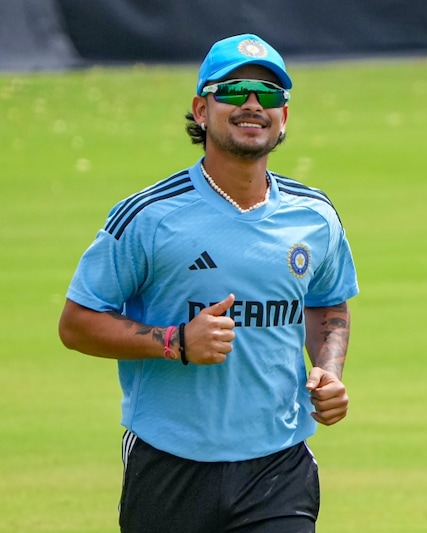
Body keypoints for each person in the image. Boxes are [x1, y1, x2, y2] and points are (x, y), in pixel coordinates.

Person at [58, 33, 358, 532]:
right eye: (235, 91)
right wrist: (176, 341)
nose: (253, 105)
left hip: (278, 466)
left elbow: (328, 303)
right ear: (201, 109)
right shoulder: (149, 216)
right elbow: (77, 323)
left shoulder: (315, 216)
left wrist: (328, 370)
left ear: (285, 117)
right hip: (170, 464)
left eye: (270, 95)